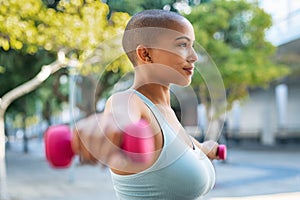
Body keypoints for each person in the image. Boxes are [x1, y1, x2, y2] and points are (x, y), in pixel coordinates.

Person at [72, 9, 220, 200]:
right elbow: (121, 117)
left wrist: (207, 148)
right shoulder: (128, 102)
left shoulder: (166, 111)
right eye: (182, 44)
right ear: (146, 54)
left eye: (192, 45)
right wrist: (107, 128)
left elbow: (183, 148)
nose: (194, 56)